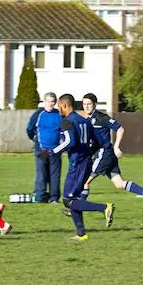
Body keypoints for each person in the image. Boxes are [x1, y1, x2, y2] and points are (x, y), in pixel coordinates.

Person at [39, 94, 115, 241]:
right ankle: (81, 233)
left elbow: (70, 141)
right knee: (74, 199)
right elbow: (96, 141)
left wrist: (51, 152)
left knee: (68, 200)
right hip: (86, 162)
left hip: (77, 163)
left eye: (59, 105)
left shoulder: (67, 121)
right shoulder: (84, 120)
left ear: (65, 105)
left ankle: (104, 208)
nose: (58, 108)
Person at [81, 93, 143, 211]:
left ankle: (77, 209)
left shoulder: (102, 117)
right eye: (84, 104)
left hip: (105, 153)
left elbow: (120, 128)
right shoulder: (87, 119)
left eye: (89, 104)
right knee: (119, 183)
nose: (86, 106)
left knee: (84, 181)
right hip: (104, 155)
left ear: (95, 104)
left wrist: (116, 147)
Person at [26, 92, 62, 203]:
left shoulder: (59, 115)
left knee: (55, 175)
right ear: (44, 101)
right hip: (42, 150)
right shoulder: (38, 114)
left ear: (55, 102)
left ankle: (54, 198)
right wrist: (36, 140)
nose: (50, 104)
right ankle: (40, 197)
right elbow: (29, 129)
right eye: (48, 101)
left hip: (55, 150)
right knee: (41, 174)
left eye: (52, 102)